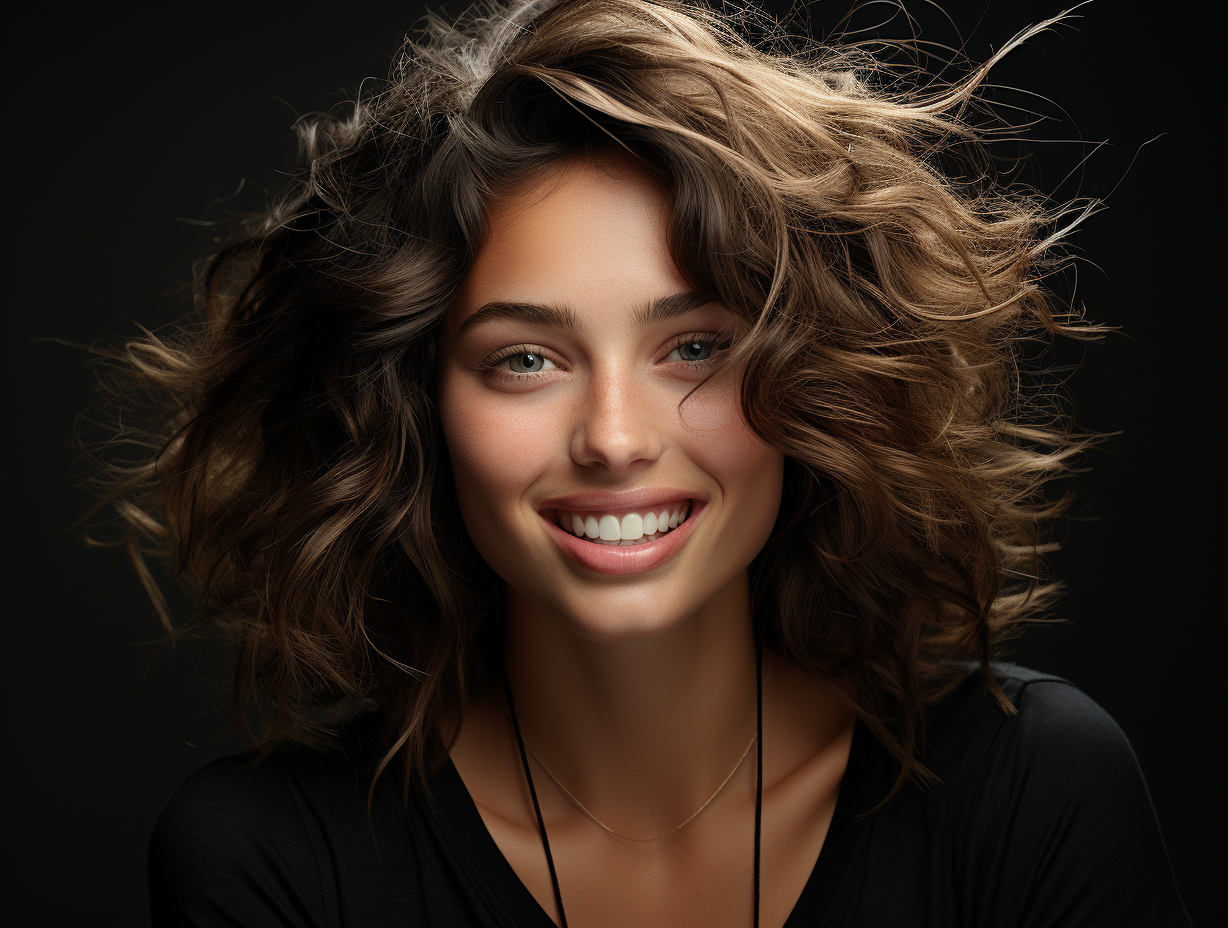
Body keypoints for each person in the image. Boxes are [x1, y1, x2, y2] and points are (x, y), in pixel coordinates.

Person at [92, 1, 1189, 924]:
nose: (614, 437)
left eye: (694, 348)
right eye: (525, 358)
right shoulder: (273, 861)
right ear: (413, 408)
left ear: (815, 377)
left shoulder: (1031, 792)